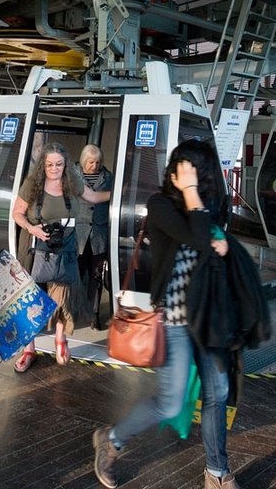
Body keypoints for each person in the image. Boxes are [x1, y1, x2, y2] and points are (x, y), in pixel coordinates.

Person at [91, 139, 240, 489]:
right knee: (170, 403)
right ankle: (110, 440)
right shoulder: (159, 205)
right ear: (176, 172)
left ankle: (217, 473)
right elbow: (199, 239)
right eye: (191, 174)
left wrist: (222, 242)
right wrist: (191, 194)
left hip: (207, 317)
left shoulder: (205, 205)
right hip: (173, 319)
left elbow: (211, 242)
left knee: (217, 393)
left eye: (201, 177)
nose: (198, 182)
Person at [11, 142, 110, 371]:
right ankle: (29, 349)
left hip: (64, 245)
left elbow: (93, 197)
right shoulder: (31, 185)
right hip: (35, 245)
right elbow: (17, 212)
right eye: (49, 165)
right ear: (43, 165)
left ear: (65, 164)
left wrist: (125, 195)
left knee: (62, 296)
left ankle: (59, 338)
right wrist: (31, 228)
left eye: (59, 164)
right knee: (31, 298)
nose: (54, 168)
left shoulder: (72, 181)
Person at [76, 144, 114, 330]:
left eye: (98, 162)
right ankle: (71, 312)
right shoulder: (73, 175)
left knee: (96, 276)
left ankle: (93, 315)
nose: (95, 165)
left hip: (99, 235)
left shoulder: (109, 177)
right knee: (75, 275)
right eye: (91, 162)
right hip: (78, 234)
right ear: (84, 161)